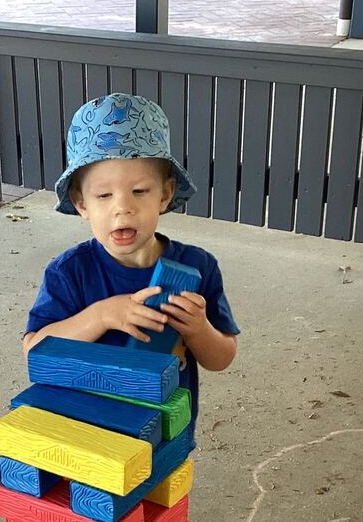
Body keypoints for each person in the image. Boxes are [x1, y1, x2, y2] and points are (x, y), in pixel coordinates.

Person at [23, 93, 238, 429]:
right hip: (85, 430)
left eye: (139, 191)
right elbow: (34, 352)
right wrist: (102, 315)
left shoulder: (197, 268)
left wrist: (199, 330)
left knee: (162, 483)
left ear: (164, 195)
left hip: (164, 429)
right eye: (104, 195)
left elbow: (222, 357)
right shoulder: (69, 273)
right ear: (81, 204)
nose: (122, 207)